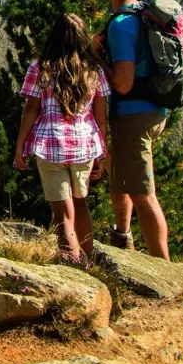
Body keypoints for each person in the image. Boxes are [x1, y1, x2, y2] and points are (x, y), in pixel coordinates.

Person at [13, 13, 111, 262]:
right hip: (84, 145)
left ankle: (72, 264)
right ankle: (88, 263)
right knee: (81, 204)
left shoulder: (41, 67)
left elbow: (31, 109)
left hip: (51, 145)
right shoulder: (93, 71)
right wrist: (103, 152)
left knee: (63, 215)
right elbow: (101, 117)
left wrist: (20, 145)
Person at [98, 0, 171, 260]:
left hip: (133, 116)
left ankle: (163, 269)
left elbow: (123, 83)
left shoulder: (122, 25)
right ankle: (122, 236)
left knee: (143, 194)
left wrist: (98, 56)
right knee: (118, 167)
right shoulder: (145, 15)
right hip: (155, 110)